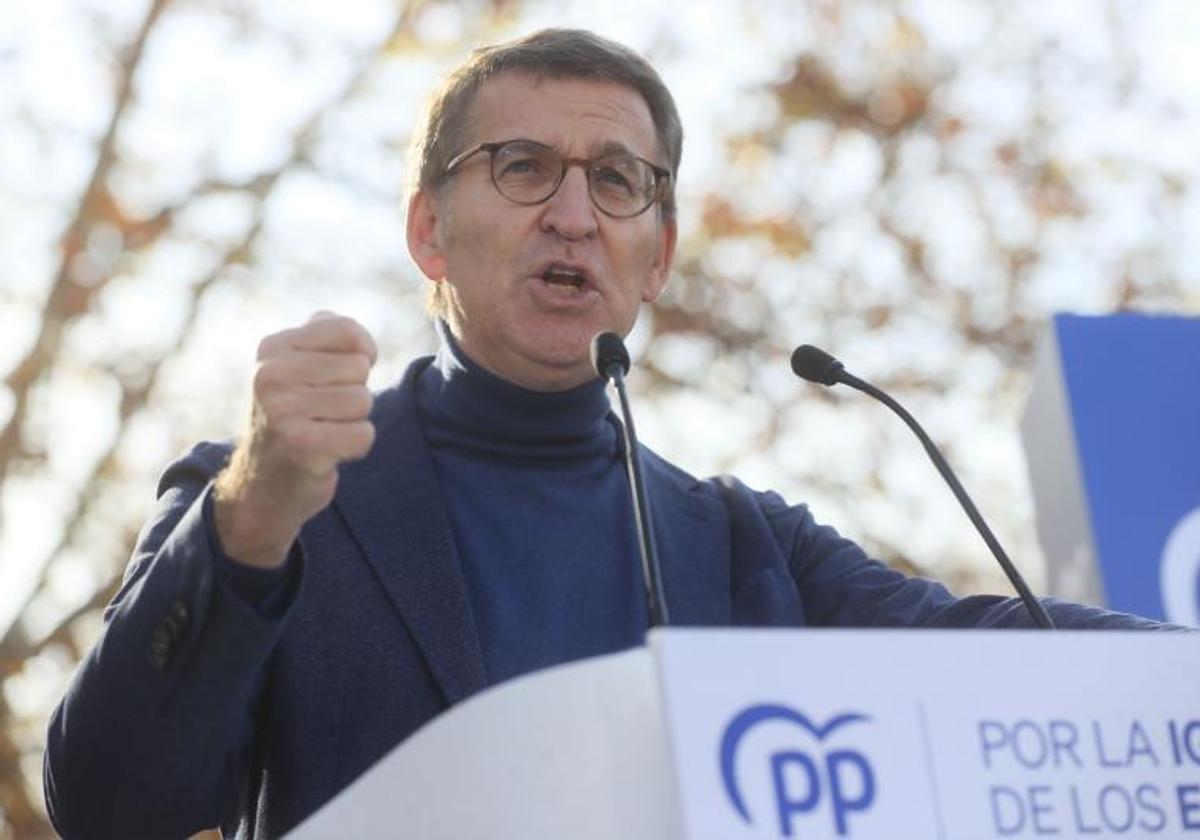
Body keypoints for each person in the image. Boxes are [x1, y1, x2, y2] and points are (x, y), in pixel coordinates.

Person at [43, 28, 1174, 840]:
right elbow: (109, 804)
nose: (574, 214)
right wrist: (250, 520)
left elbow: (997, 651)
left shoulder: (745, 548)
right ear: (429, 229)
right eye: (523, 167)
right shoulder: (274, 494)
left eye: (618, 181)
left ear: (659, 255)